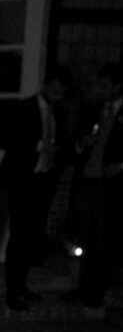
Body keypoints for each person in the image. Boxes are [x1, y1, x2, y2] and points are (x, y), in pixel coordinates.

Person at [0, 67, 72, 311]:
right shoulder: (23, 108)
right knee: (19, 236)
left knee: (31, 236)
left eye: (62, 93)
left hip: (43, 181)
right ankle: (12, 291)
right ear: (46, 86)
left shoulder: (57, 112)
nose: (58, 97)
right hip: (22, 181)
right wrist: (38, 145)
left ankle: (22, 286)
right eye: (55, 91)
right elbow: (5, 140)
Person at [62, 62, 123, 308]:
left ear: (118, 87)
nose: (100, 90)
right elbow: (72, 143)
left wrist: (120, 166)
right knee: (86, 237)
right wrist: (81, 144)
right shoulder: (92, 110)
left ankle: (97, 291)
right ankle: (83, 287)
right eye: (98, 85)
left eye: (105, 86)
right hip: (87, 180)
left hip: (112, 184)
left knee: (105, 238)